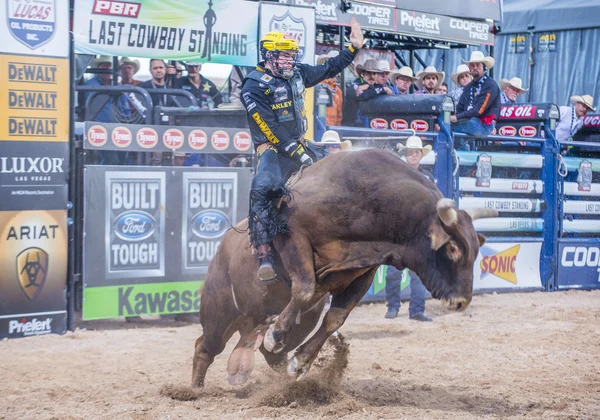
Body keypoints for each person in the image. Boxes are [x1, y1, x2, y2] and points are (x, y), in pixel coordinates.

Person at [241, 19, 364, 282]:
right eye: (284, 56)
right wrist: (298, 154)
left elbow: (328, 68)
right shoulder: (253, 85)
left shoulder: (297, 75)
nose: (290, 61)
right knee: (262, 189)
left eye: (291, 56)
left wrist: (353, 50)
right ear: (269, 56)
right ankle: (264, 255)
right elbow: (269, 126)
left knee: (340, 169)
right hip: (271, 148)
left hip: (300, 142)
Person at [385, 135, 434, 321]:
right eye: (410, 153)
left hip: (418, 232)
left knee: (417, 275)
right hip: (400, 232)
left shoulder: (427, 177)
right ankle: (393, 307)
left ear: (421, 155)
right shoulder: (398, 175)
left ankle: (416, 310)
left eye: (416, 153)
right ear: (406, 155)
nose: (413, 156)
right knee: (393, 273)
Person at [450, 51, 500, 139]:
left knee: (449, 127)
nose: (475, 68)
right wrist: (455, 117)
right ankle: (461, 150)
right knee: (449, 125)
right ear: (470, 68)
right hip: (471, 121)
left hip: (484, 125)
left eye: (478, 65)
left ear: (484, 67)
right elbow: (460, 108)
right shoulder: (469, 87)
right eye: (472, 65)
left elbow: (479, 110)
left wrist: (456, 117)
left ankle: (460, 150)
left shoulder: (490, 85)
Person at [341, 59, 377, 125]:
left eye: (374, 73)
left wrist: (369, 87)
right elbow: (362, 95)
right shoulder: (355, 86)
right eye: (369, 73)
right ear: (362, 74)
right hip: (351, 128)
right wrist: (372, 88)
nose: (372, 76)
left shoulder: (371, 86)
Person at [317, 51, 344, 126]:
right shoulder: (318, 84)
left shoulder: (338, 90)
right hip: (318, 128)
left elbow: (339, 115)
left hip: (332, 130)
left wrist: (337, 130)